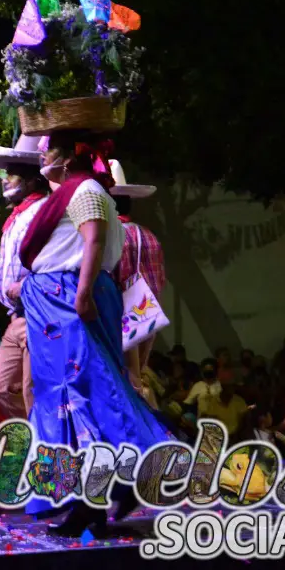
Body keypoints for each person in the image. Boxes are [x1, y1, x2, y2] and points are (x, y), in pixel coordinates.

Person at [16, 132, 172, 536]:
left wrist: (82, 293)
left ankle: (128, 471)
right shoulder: (75, 192)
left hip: (69, 297)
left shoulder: (84, 189)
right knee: (68, 395)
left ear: (68, 158)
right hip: (54, 300)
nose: (42, 157)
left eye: (49, 150)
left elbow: (93, 240)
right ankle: (89, 501)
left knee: (86, 388)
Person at [0, 136, 49, 420]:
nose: (5, 181)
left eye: (12, 175)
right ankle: (36, 435)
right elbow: (7, 272)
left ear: (31, 181)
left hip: (37, 313)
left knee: (33, 389)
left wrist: (26, 287)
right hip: (16, 317)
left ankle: (45, 452)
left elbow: (46, 265)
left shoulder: (41, 211)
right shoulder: (16, 218)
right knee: (1, 387)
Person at [106, 160, 165, 397]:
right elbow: (160, 281)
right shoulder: (150, 235)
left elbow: (115, 279)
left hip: (122, 315)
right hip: (149, 311)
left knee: (126, 385)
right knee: (139, 378)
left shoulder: (113, 237)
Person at [182, 358, 250, 436]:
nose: (228, 389)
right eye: (226, 386)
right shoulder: (201, 388)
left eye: (231, 386)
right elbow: (188, 404)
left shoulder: (238, 401)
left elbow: (245, 424)